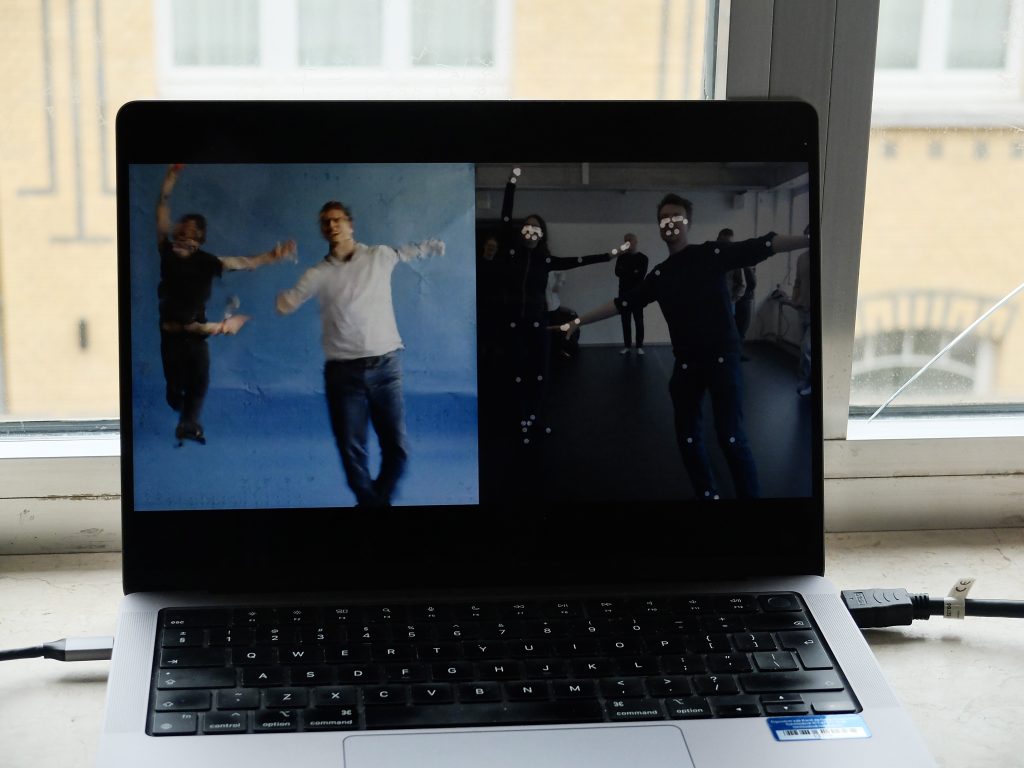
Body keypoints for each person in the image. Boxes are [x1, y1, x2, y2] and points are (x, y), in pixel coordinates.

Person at [556, 194, 809, 499]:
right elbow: (623, 303)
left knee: (730, 437)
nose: (670, 223)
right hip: (686, 364)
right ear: (659, 226)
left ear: (687, 222)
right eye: (664, 218)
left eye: (676, 217)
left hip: (721, 361)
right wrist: (576, 322)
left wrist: (809, 239)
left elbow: (763, 245)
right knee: (688, 438)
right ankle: (706, 492)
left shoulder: (711, 253)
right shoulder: (661, 275)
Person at [275, 200, 445, 507]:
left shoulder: (378, 255)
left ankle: (374, 502)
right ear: (322, 230)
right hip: (343, 375)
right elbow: (289, 303)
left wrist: (429, 247)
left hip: (386, 369)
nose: (332, 226)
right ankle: (372, 504)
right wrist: (283, 301)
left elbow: (407, 251)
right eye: (326, 222)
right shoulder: (317, 273)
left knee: (397, 448)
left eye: (337, 220)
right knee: (352, 452)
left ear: (350, 225)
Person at [156, 164, 295, 444]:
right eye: (178, 233)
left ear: (198, 240)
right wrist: (169, 181)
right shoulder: (167, 254)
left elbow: (244, 263)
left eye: (188, 234)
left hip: (196, 334)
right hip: (172, 335)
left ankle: (190, 423)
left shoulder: (209, 263)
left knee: (200, 380)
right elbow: (161, 214)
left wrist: (273, 256)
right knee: (175, 390)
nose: (181, 237)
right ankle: (181, 410)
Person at [491, 167, 622, 442]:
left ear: (541, 235)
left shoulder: (545, 260)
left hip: (538, 321)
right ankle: (518, 420)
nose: (530, 231)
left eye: (535, 228)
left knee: (540, 372)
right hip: (514, 322)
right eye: (526, 227)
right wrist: (511, 183)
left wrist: (609, 255)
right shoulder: (512, 253)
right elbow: (504, 218)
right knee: (516, 372)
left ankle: (535, 419)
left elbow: (578, 261)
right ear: (522, 232)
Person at [778, 224, 813, 396]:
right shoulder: (802, 258)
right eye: (806, 235)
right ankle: (806, 380)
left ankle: (806, 381)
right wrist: (794, 300)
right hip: (803, 309)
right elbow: (798, 282)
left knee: (807, 348)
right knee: (805, 348)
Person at [615, 233, 649, 355]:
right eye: (626, 241)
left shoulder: (643, 258)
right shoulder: (621, 257)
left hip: (638, 294)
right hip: (623, 294)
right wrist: (632, 272)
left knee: (639, 320)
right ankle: (627, 346)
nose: (628, 243)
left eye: (630, 241)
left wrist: (626, 272)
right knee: (625, 321)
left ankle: (639, 346)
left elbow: (640, 276)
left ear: (635, 241)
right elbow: (617, 272)